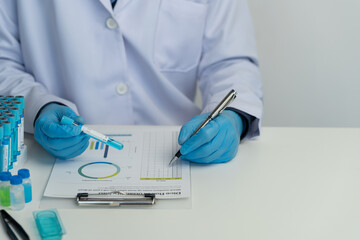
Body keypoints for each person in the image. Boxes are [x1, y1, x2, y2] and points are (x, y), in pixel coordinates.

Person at [0, 0, 263, 163]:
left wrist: (232, 116)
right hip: (52, 160)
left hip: (181, 152)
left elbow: (229, 61)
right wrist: (39, 107)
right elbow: (4, 62)